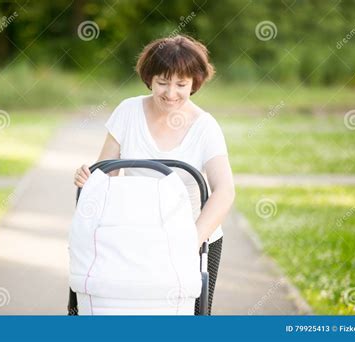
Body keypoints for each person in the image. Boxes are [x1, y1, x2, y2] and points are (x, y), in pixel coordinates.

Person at [73, 35, 235, 315]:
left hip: (192, 236)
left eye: (181, 84)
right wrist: (91, 180)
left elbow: (224, 191)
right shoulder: (128, 111)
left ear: (194, 83)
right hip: (134, 235)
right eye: (163, 82)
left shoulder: (205, 127)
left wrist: (190, 241)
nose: (171, 93)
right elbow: (107, 171)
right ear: (150, 79)